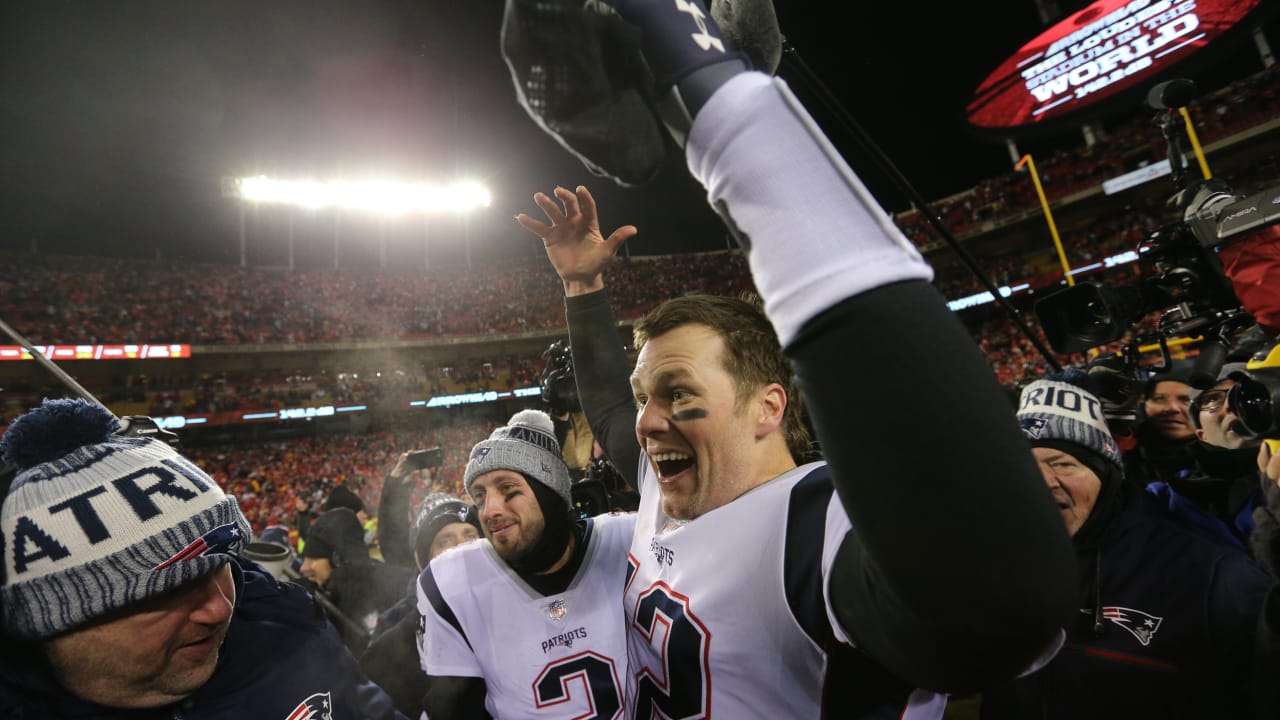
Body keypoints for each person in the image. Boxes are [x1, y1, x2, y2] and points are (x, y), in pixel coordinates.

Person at [511, 0, 1075, 713]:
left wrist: (723, 106)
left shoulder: (818, 525)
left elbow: (1002, 607)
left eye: (680, 395)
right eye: (649, 394)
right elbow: (610, 405)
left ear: (768, 405)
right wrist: (583, 286)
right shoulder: (669, 488)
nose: (648, 422)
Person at [0, 398, 405, 719]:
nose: (220, 607)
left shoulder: (288, 629)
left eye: (221, 563)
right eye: (168, 588)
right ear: (55, 621)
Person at [979, 373, 1275, 719]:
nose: (1043, 481)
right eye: (1025, 466)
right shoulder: (995, 562)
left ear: (1105, 478)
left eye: (1062, 464)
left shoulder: (1210, 572)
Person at [416, 410, 636, 719]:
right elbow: (455, 708)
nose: (489, 511)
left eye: (509, 490)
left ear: (550, 492)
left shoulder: (629, 539)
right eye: (480, 496)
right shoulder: (451, 581)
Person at [361, 491, 482, 718]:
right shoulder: (393, 642)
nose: (462, 548)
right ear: (422, 561)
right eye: (445, 541)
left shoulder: (514, 604)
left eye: (470, 535)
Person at [1146, 364, 1267, 553]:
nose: (1230, 405)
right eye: (1213, 399)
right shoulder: (1164, 499)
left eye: (1245, 395)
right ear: (1201, 434)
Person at [300, 505, 417, 653]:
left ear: (337, 559)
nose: (303, 567)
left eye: (312, 558)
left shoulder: (399, 585)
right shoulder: (320, 598)